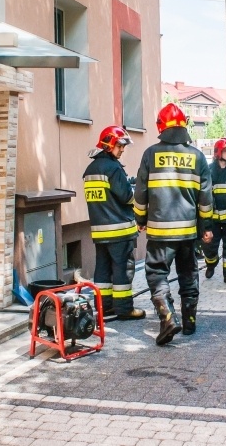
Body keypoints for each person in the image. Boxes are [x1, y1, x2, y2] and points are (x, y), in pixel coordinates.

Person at [134, 103, 214, 345]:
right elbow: (206, 198)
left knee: (157, 274)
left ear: (161, 127)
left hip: (160, 232)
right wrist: (205, 227)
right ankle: (189, 323)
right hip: (188, 232)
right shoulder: (198, 156)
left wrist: (140, 219)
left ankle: (168, 317)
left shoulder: (150, 154)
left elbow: (140, 194)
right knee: (189, 274)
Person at [83, 126, 146, 321]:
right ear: (109, 145)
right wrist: (137, 188)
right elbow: (127, 197)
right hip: (119, 230)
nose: (122, 150)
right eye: (120, 146)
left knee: (102, 269)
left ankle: (104, 307)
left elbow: (106, 197)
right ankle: (125, 308)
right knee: (122, 269)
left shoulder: (90, 169)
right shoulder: (113, 168)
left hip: (100, 232)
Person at [201, 137, 226, 285]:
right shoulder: (208, 170)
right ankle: (211, 263)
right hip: (212, 219)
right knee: (209, 247)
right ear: (218, 152)